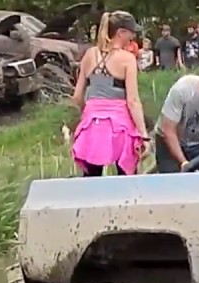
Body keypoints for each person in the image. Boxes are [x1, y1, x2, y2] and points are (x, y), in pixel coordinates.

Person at [69, 10, 150, 177]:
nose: (133, 37)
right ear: (120, 32)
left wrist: (90, 111)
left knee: (91, 178)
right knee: (126, 176)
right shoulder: (127, 59)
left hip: (92, 124)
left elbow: (77, 96)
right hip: (120, 126)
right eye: (131, 32)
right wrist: (143, 134)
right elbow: (133, 100)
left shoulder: (89, 55)